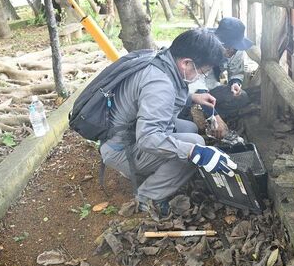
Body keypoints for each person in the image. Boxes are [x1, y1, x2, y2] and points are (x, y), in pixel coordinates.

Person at [99, 29, 237, 217]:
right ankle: (148, 196)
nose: (201, 76)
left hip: (120, 135)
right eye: (202, 71)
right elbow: (147, 138)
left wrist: (193, 97)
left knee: (189, 128)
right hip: (123, 148)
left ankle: (148, 171)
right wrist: (194, 152)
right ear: (186, 63)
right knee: (195, 145)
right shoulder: (159, 84)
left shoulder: (163, 58)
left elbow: (150, 100)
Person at [184, 17, 254, 139]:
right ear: (220, 43)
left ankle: (208, 119)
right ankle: (202, 116)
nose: (233, 51)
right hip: (188, 91)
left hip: (211, 87)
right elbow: (195, 82)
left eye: (235, 47)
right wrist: (214, 115)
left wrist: (235, 83)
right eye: (230, 47)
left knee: (242, 97)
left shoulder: (236, 50)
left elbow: (236, 71)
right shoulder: (202, 46)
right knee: (188, 122)